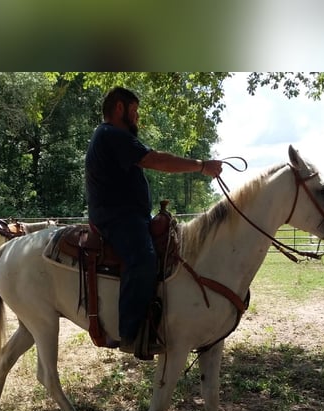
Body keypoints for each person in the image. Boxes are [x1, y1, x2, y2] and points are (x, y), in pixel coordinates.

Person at [85, 86, 223, 355]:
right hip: (117, 217)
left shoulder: (114, 138)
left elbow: (152, 157)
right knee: (143, 258)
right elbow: (155, 160)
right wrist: (201, 165)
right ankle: (132, 333)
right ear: (119, 109)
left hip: (129, 215)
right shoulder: (111, 134)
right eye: (134, 111)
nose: (137, 118)